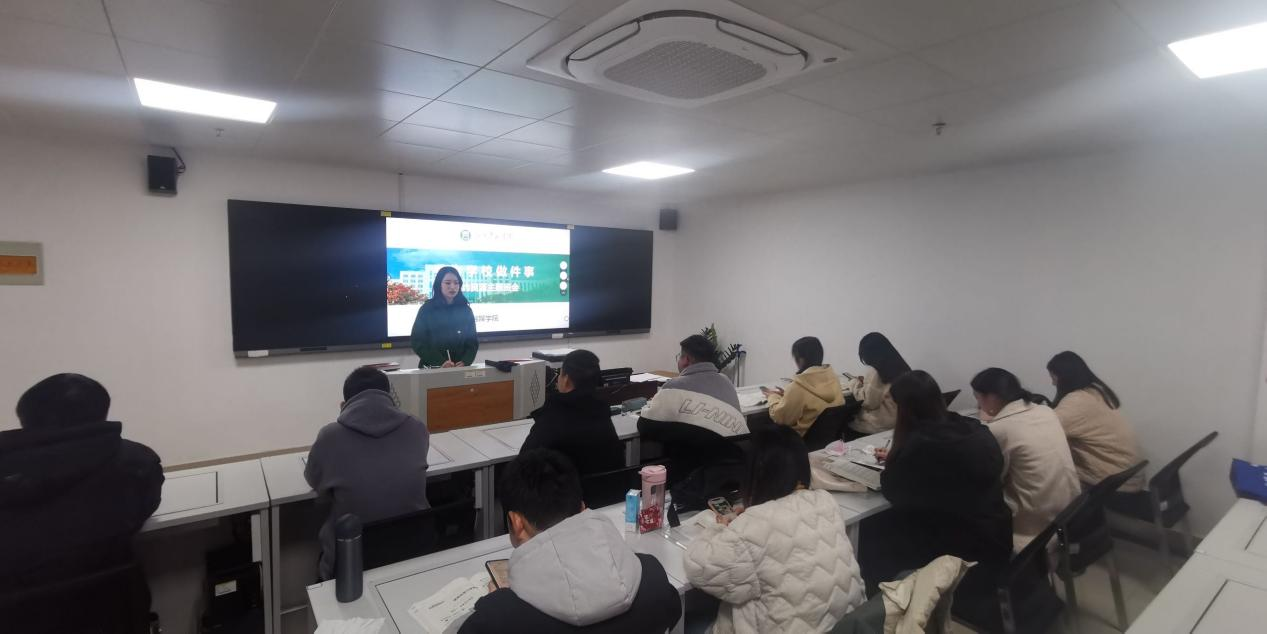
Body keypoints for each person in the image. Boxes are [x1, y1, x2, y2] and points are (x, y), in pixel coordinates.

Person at [459, 449, 682, 633]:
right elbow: (673, 612)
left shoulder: (495, 621)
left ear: (516, 523)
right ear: (582, 508)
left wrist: (500, 606)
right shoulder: (653, 576)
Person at [684, 426, 867, 633]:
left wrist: (719, 528)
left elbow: (698, 568)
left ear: (755, 472)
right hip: (848, 626)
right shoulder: (826, 501)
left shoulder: (753, 524)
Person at [0, 374, 163, 591]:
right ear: (102, 412)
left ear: (26, 418)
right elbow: (146, 506)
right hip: (116, 600)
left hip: (17, 605)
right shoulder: (137, 461)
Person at [858, 371, 1012, 600]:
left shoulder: (922, 445)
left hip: (959, 549)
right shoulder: (973, 428)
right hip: (995, 534)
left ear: (906, 410)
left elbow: (893, 490)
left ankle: (881, 602)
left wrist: (897, 459)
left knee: (868, 529)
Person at [305, 367, 430, 580]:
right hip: (414, 553)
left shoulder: (329, 437)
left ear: (344, 405)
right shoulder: (417, 428)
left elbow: (314, 481)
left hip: (350, 565)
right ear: (390, 398)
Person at [972, 367, 1080, 551]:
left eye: (977, 397)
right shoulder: (1045, 411)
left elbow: (991, 479)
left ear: (991, 397)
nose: (978, 405)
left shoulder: (999, 429)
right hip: (1069, 508)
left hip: (1033, 524)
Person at [637, 334, 747, 487]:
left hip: (696, 476)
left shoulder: (675, 385)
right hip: (735, 469)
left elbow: (645, 426)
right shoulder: (726, 381)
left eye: (679, 356)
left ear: (686, 359)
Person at [1047, 351, 1144, 492]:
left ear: (1064, 377)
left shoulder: (1077, 401)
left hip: (1115, 483)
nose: (1053, 383)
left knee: (1045, 472)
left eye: (1053, 378)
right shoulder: (1096, 391)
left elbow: (1045, 432)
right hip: (1128, 474)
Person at [521, 349, 624, 475]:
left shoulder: (554, 415)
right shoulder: (601, 412)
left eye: (560, 374)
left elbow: (523, 464)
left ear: (566, 380)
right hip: (605, 486)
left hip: (564, 487)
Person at [762, 336, 845, 436]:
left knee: (761, 428)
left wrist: (772, 397)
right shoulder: (833, 378)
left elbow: (781, 418)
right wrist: (787, 395)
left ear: (801, 360)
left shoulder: (798, 387)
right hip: (829, 438)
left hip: (800, 440)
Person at [410, 266, 478, 369]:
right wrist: (440, 361)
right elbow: (418, 342)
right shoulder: (427, 309)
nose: (452, 287)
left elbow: (472, 342)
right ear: (439, 285)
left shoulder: (465, 310)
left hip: (459, 368)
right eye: (447, 283)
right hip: (432, 368)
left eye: (456, 283)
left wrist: (465, 361)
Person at [846, 332, 911, 437]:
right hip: (898, 423)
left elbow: (869, 403)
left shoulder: (876, 371)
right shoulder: (902, 367)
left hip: (877, 426)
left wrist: (854, 383)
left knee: (846, 423)